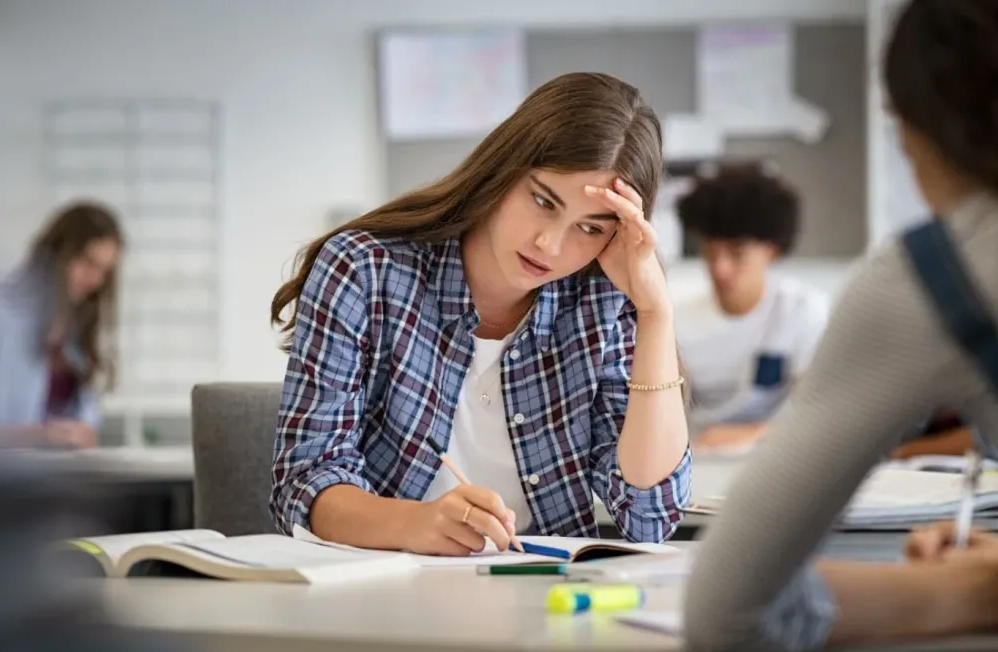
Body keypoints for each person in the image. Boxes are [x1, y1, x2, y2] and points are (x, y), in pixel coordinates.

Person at [269, 72, 691, 556]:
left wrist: (655, 312)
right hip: (384, 586)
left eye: (590, 228)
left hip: (544, 597)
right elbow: (304, 482)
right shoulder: (365, 268)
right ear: (504, 169)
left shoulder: (604, 299)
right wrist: (417, 524)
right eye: (542, 200)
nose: (549, 245)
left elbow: (651, 514)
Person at [684, 1, 998, 649]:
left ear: (911, 128)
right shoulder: (685, 319)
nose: (719, 268)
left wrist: (975, 588)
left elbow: (730, 612)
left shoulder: (934, 279)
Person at [672, 163, 829, 453]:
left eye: (737, 254)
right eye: (710, 252)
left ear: (771, 250)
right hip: (697, 459)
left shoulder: (803, 312)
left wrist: (753, 433)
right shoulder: (675, 323)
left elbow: (823, 414)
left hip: (777, 456)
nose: (720, 269)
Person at [0, 201, 123, 449]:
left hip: (56, 481)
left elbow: (85, 424)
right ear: (56, 252)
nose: (95, 280)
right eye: (88, 262)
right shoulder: (4, 315)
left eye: (104, 271)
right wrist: (39, 437)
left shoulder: (76, 332)